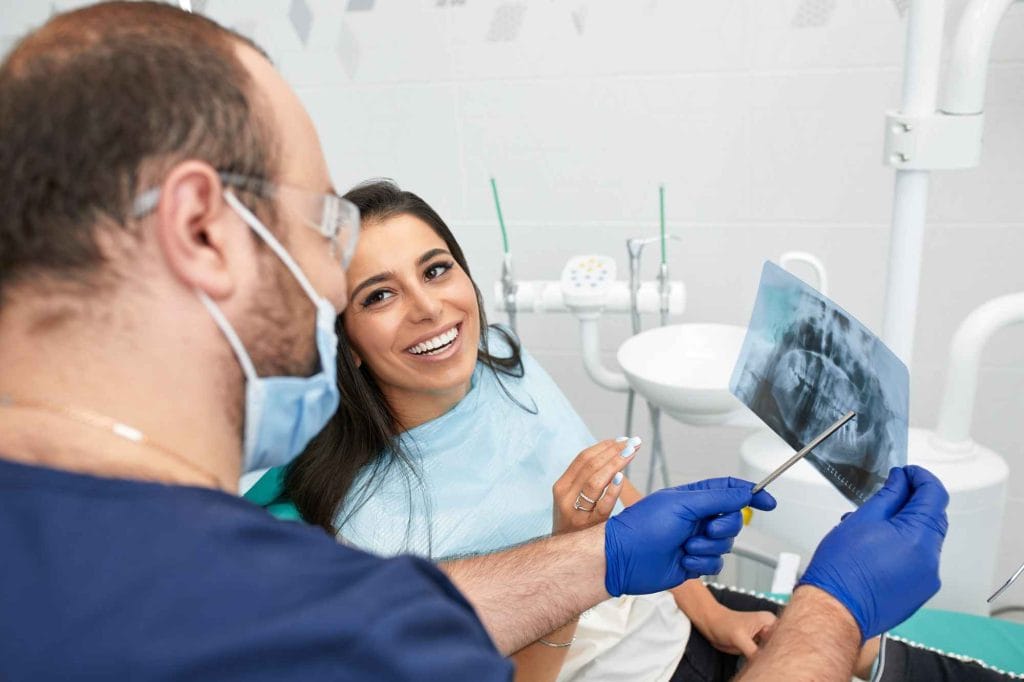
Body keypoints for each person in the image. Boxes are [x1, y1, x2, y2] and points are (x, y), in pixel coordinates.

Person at [0, 2, 948, 680]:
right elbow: (360, 628)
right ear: (204, 230)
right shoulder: (301, 612)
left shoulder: (73, 563)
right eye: (323, 230)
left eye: (437, 270)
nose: (334, 280)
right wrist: (828, 613)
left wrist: (599, 554)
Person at [246, 180, 784, 681]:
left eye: (435, 270)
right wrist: (574, 556)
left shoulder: (502, 358)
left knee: (830, 631)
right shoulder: (374, 529)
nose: (430, 308)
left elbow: (611, 492)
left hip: (673, 619)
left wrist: (714, 616)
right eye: (379, 296)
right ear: (347, 342)